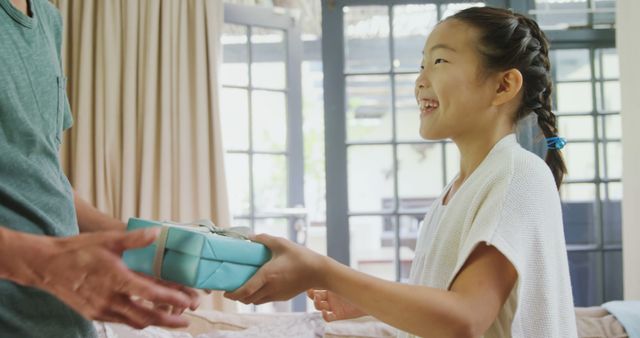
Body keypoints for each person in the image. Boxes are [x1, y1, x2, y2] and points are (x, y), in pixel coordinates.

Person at [225, 6, 578, 338]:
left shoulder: (518, 174)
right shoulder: (457, 190)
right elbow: (448, 301)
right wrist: (366, 301)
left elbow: (467, 317)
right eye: (422, 64)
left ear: (503, 86)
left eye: (439, 60)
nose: (420, 80)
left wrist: (320, 269)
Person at [0, 0, 200, 336]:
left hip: (63, 322)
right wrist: (41, 262)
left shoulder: (49, 20)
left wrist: (131, 241)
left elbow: (40, 170)